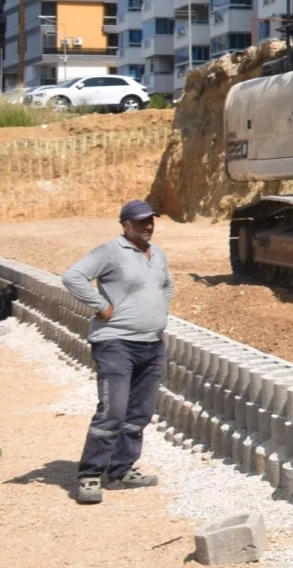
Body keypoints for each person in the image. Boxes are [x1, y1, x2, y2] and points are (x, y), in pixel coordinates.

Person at [61, 199, 173, 505]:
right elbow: (73, 277)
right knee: (113, 411)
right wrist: (100, 305)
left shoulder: (158, 253)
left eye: (151, 220)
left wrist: (159, 312)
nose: (148, 226)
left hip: (152, 343)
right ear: (125, 225)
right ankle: (90, 475)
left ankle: (121, 470)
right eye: (140, 222)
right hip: (116, 344)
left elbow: (167, 285)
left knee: (140, 412)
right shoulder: (109, 251)